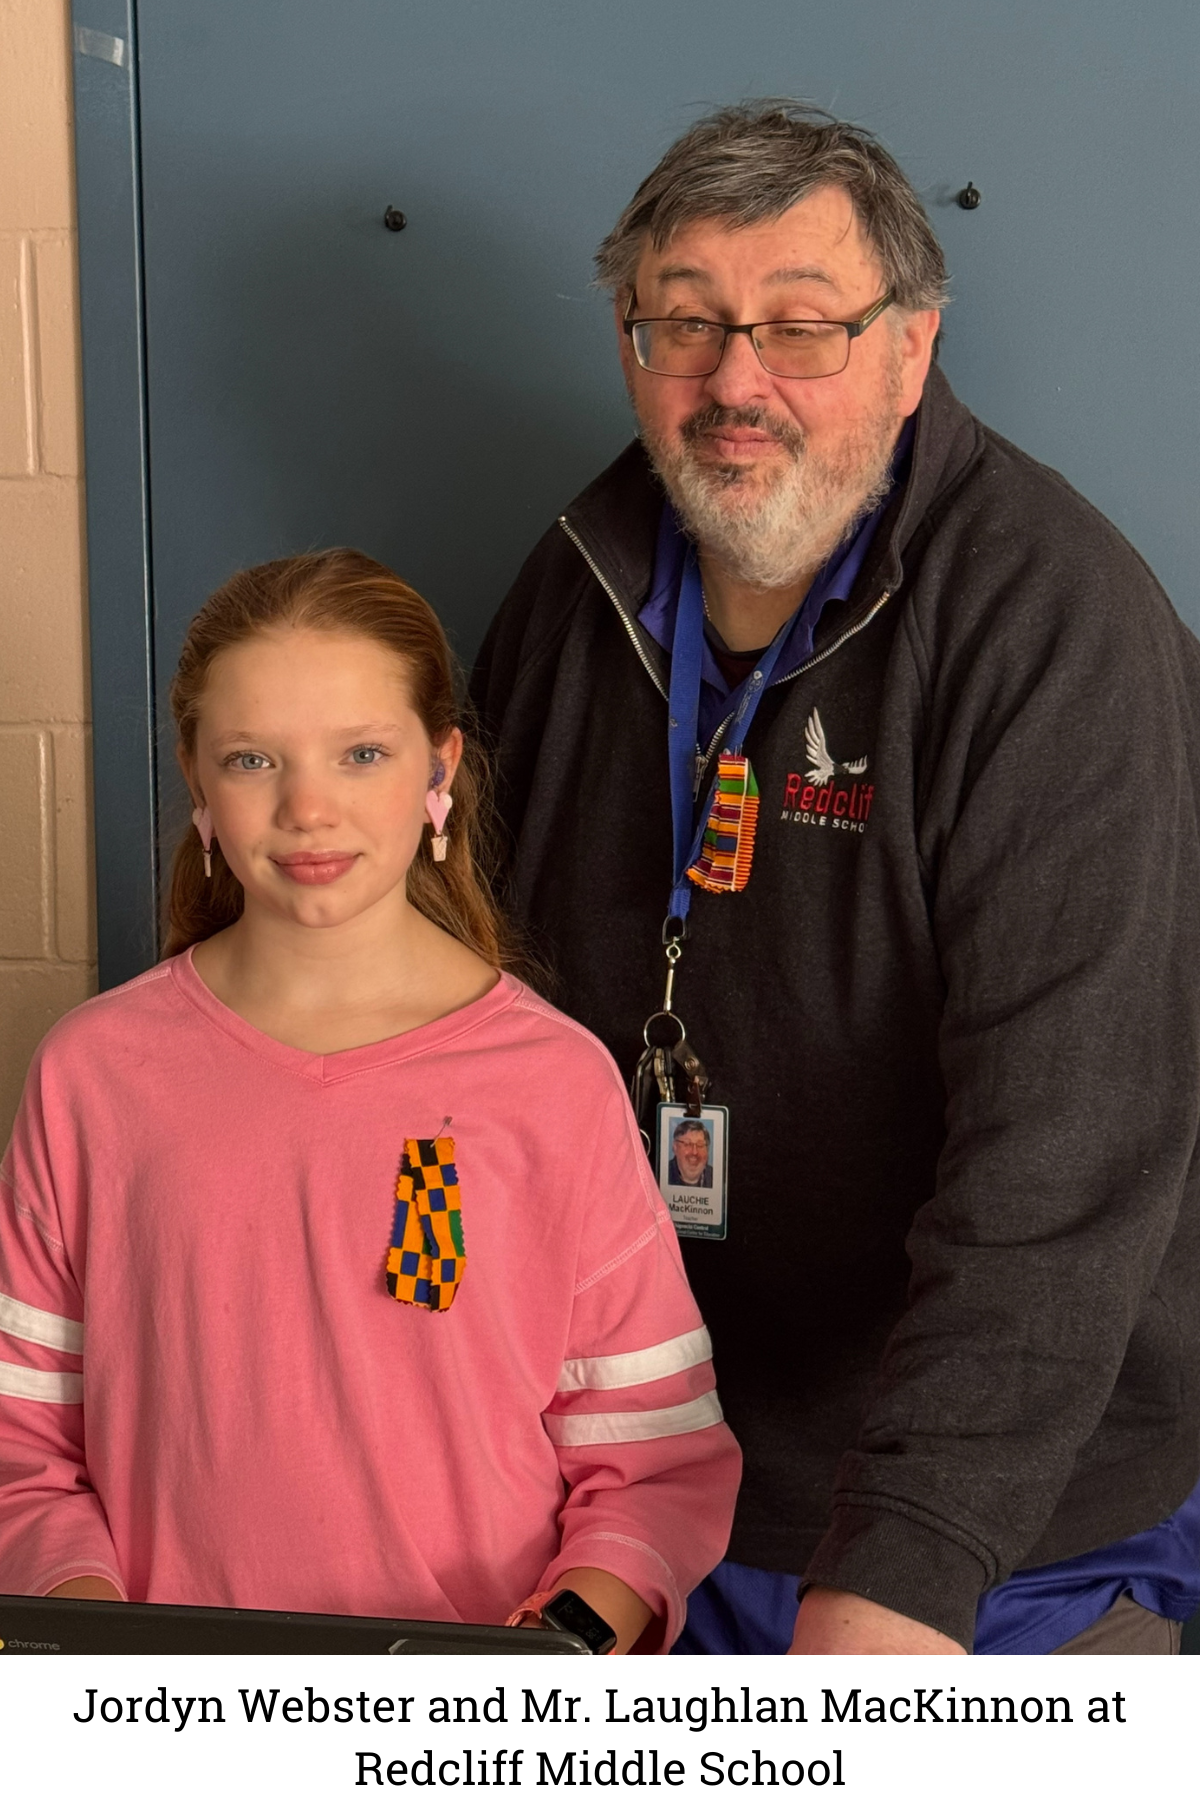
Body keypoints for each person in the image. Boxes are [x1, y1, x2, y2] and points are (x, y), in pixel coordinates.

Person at [471, 103, 1200, 1655]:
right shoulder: (573, 583)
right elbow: (456, 1027)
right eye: (687, 321)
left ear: (911, 348)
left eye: (801, 326)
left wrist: (909, 1569)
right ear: (629, 341)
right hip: (637, 1484)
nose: (737, 380)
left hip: (1003, 1523)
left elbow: (1062, 1164)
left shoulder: (1057, 630)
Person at [0, 549, 739, 1653]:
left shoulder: (555, 1083)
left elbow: (651, 1464)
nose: (308, 808)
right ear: (197, 781)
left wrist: (544, 1663)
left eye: (361, 753)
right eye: (253, 758)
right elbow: (22, 1441)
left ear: (438, 770)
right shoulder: (91, 1076)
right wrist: (108, 1664)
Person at [668, 1120, 712, 1188]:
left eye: (700, 1145)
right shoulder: (663, 1173)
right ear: (675, 1147)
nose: (694, 1152)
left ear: (707, 1149)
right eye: (687, 1144)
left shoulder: (715, 1177)